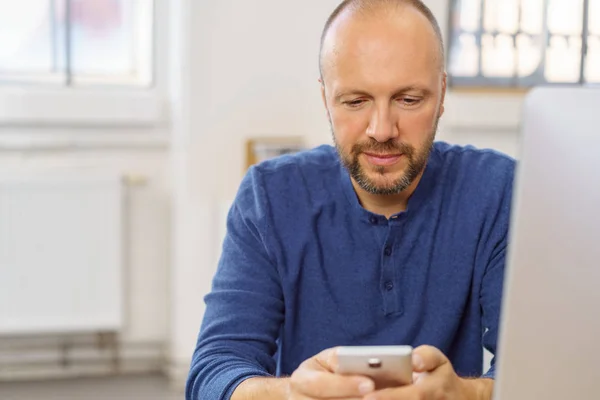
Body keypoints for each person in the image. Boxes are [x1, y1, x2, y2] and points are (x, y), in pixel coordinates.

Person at [186, 0, 514, 399]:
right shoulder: (268, 197)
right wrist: (290, 394)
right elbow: (213, 372)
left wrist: (463, 395)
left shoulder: (498, 191)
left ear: (442, 93)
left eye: (408, 99)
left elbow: (541, 372)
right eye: (356, 101)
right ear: (325, 98)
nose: (381, 129)